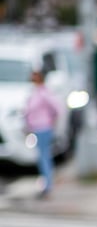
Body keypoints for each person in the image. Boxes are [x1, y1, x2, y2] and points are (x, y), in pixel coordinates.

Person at [23, 69, 60, 198]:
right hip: (37, 128)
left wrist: (51, 121)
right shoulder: (34, 92)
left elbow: (56, 107)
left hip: (43, 128)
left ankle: (48, 185)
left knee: (44, 157)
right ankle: (46, 183)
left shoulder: (44, 93)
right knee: (42, 156)